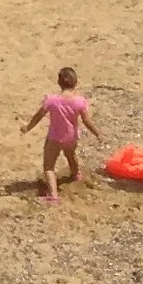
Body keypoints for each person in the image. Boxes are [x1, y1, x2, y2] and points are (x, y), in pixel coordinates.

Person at [21, 68, 93, 202]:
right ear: (75, 83)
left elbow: (38, 117)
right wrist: (96, 132)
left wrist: (27, 128)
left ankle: (53, 195)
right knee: (71, 155)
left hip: (55, 137)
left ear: (59, 82)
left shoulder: (51, 100)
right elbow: (86, 120)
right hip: (71, 136)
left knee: (48, 167)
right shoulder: (80, 101)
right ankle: (76, 175)